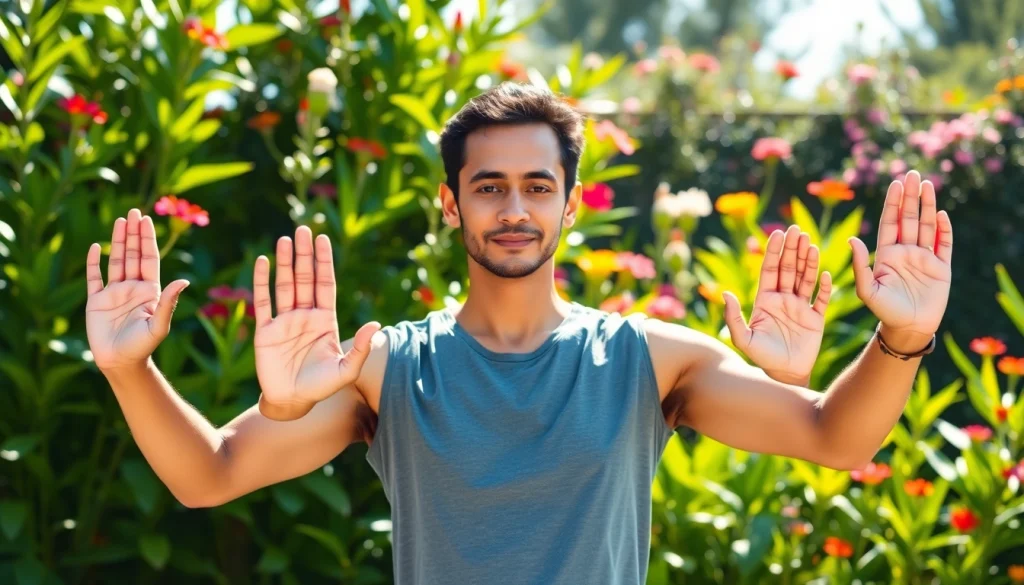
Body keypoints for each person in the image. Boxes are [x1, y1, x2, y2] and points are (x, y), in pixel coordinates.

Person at [84, 82, 953, 585]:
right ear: (452, 202)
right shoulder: (385, 369)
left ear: (570, 206)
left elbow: (836, 438)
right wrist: (128, 369)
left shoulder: (650, 360)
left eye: (538, 186)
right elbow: (208, 476)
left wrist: (901, 340)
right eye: (490, 186)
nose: (514, 208)